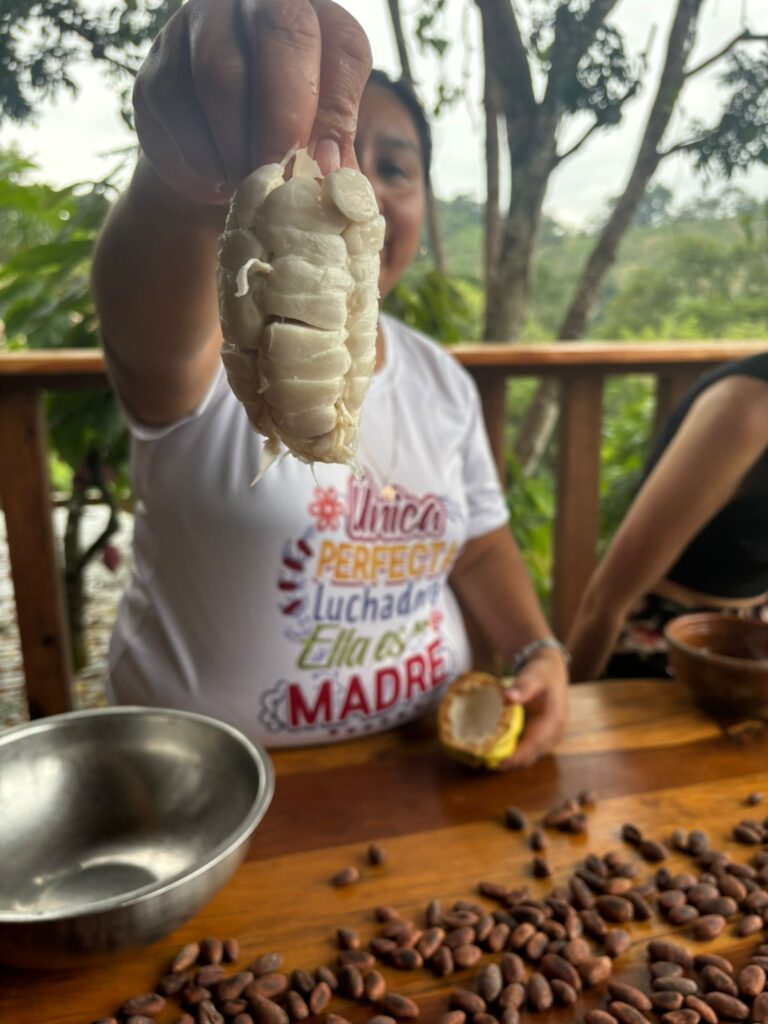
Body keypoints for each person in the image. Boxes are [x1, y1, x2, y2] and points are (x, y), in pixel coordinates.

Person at [92, 0, 568, 764]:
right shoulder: (205, 351)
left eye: (394, 168)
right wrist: (179, 179)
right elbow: (142, 323)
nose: (351, 181)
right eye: (316, 153)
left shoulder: (442, 379)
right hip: (202, 785)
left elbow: (478, 546)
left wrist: (536, 648)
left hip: (421, 764)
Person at [568, 352, 768, 682]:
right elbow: (607, 599)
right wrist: (571, 701)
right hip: (663, 647)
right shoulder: (744, 407)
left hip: (753, 639)